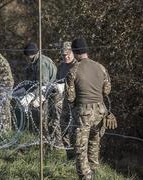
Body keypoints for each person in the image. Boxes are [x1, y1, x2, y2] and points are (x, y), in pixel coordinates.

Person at [65, 37, 113, 180]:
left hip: (83, 113)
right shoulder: (100, 67)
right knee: (94, 143)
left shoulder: (73, 71)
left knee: (80, 148)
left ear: (74, 52)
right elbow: (107, 90)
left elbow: (70, 97)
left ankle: (86, 176)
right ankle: (94, 170)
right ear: (86, 50)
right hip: (100, 111)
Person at [21, 42, 57, 141]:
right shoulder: (35, 62)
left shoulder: (41, 63)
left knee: (43, 119)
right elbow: (33, 81)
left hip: (49, 93)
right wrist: (24, 90)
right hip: (42, 92)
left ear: (29, 55)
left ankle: (45, 140)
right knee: (39, 118)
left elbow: (43, 84)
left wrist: (33, 95)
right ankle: (41, 138)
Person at [55, 41, 78, 159]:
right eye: (63, 55)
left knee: (75, 132)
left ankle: (78, 157)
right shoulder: (61, 67)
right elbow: (57, 81)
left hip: (76, 103)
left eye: (68, 54)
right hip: (64, 103)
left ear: (73, 53)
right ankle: (70, 156)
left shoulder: (77, 66)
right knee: (63, 130)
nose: (66, 57)